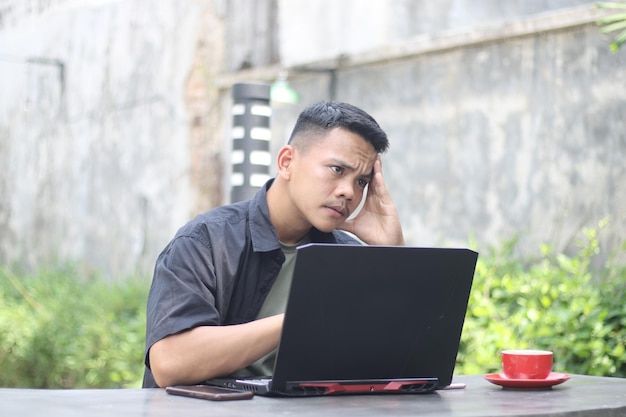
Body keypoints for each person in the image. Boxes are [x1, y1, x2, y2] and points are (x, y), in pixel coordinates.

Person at [142, 101, 405, 388]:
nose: (348, 192)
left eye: (361, 182)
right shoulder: (206, 241)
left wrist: (391, 257)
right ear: (287, 162)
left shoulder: (348, 256)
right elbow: (170, 362)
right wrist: (298, 317)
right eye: (337, 170)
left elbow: (397, 364)